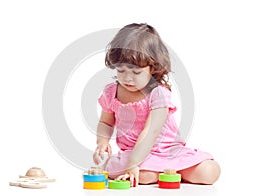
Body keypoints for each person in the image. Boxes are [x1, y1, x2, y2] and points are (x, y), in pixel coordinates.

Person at [93, 23, 220, 187]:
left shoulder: (158, 93)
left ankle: (167, 171)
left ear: (152, 67)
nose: (127, 78)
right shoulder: (112, 92)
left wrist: (133, 165)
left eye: (136, 72)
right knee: (140, 175)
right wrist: (102, 142)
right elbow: (105, 122)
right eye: (121, 70)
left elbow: (151, 133)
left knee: (209, 171)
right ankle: (156, 172)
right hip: (133, 152)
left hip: (168, 151)